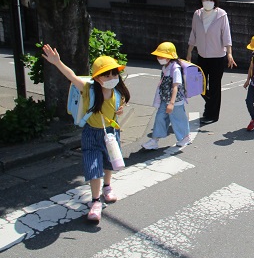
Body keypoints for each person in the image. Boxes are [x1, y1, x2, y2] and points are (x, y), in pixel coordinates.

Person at [41, 45, 130, 221]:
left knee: (108, 162)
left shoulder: (118, 92)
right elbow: (72, 77)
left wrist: (120, 111)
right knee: (93, 167)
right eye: (107, 74)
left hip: (111, 133)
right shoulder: (88, 90)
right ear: (97, 78)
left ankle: (107, 186)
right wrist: (57, 63)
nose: (112, 77)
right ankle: (96, 201)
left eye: (114, 73)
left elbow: (121, 105)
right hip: (91, 135)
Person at [186, 0, 236, 125]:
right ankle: (210, 107)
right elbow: (193, 34)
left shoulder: (221, 15)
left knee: (214, 87)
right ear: (201, 0)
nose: (208, 2)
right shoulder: (197, 14)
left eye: (211, 0)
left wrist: (229, 54)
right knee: (198, 86)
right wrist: (189, 51)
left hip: (218, 57)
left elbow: (227, 36)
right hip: (202, 56)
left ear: (215, 1)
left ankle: (212, 115)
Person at [143, 42, 191, 150]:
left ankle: (185, 137)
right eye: (158, 56)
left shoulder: (175, 68)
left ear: (169, 57)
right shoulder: (166, 67)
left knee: (178, 119)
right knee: (160, 118)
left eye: (161, 56)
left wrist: (172, 103)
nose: (158, 58)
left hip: (175, 101)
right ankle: (154, 140)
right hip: (165, 99)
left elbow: (175, 87)